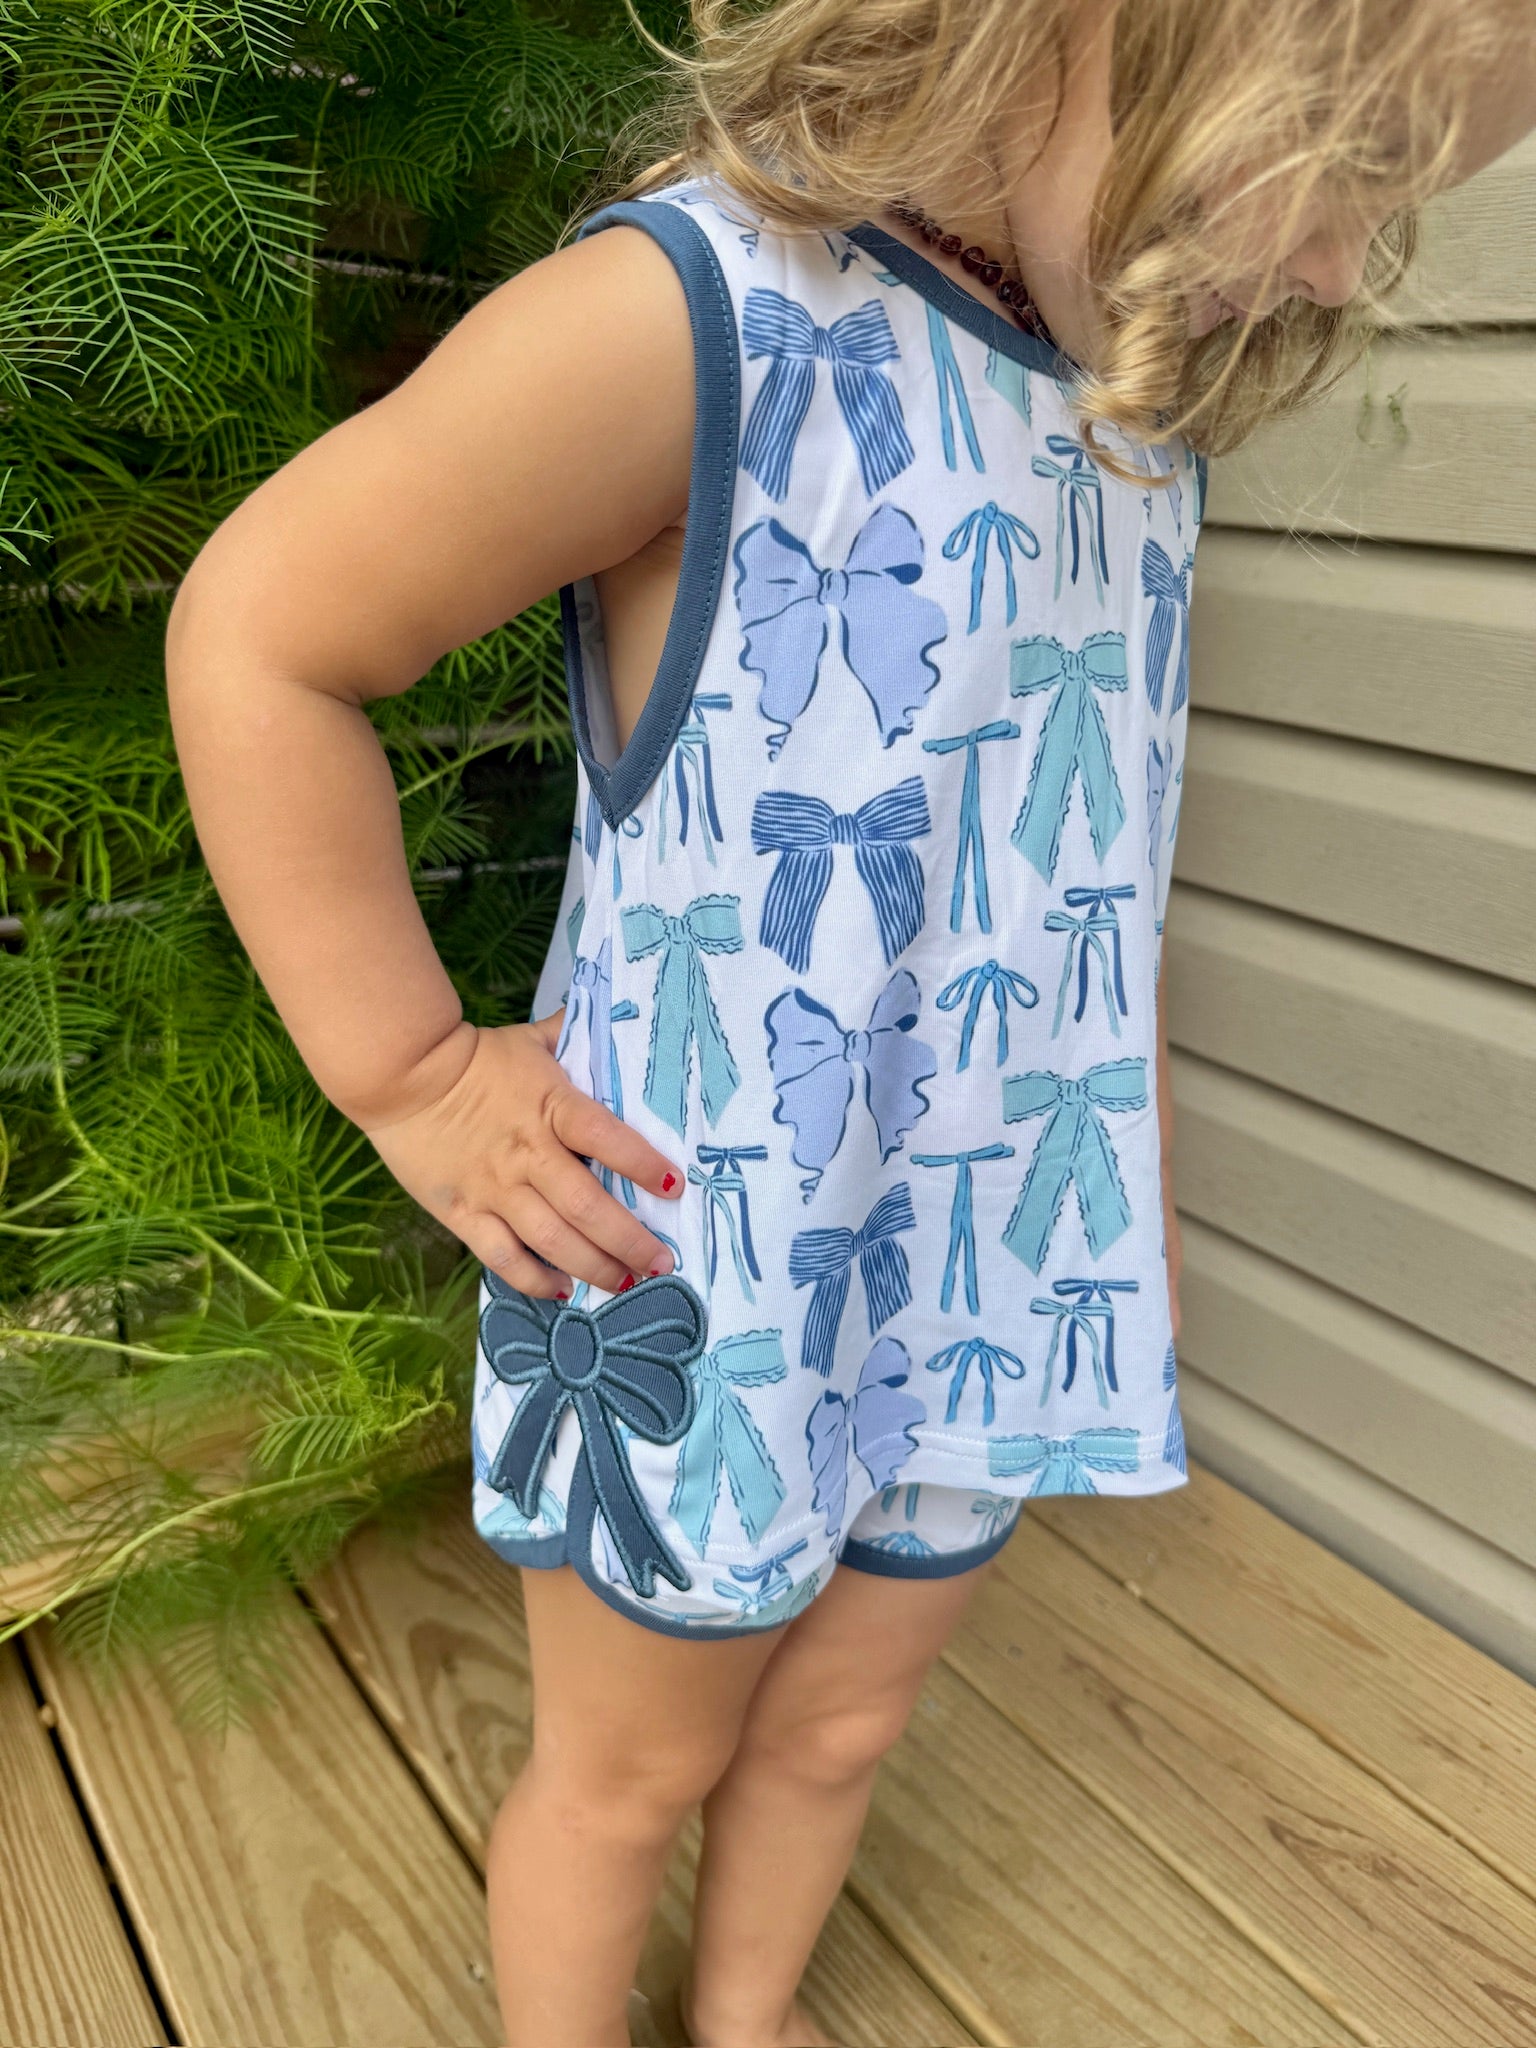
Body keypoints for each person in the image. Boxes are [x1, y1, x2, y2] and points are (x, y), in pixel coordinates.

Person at [165, 1, 1536, 2041]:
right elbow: (264, 630)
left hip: (984, 1262)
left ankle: (747, 2020)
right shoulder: (703, 322)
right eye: (1346, 161)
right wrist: (420, 1077)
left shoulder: (1132, 415)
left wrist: (1126, 1193)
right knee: (630, 1774)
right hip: (702, 1262)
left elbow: (1084, 879)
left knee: (840, 1726)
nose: (1344, 266)